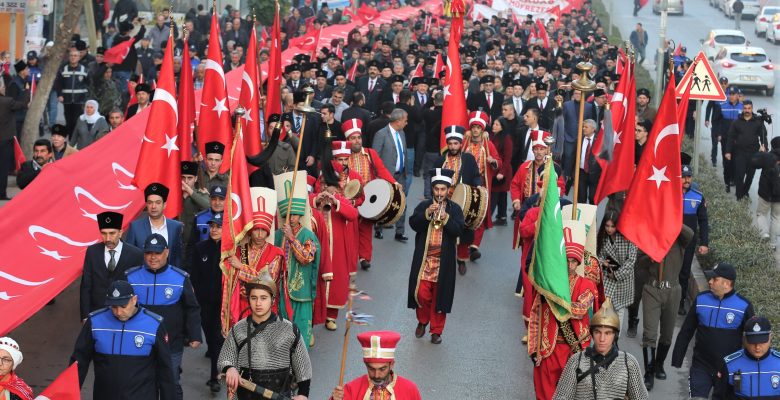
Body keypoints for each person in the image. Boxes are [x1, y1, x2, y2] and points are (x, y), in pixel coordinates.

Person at [125, 234, 202, 400]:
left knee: (171, 381)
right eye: (149, 253)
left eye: (157, 253)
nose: (153, 257)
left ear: (166, 252)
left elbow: (192, 308)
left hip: (171, 343)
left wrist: (195, 335)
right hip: (140, 343)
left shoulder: (180, 278)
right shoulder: (130, 277)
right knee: (143, 382)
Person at [71, 280, 175, 400]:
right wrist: (68, 393)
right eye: (114, 307)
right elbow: (79, 361)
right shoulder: (95, 322)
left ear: (134, 300)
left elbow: (165, 369)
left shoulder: (154, 325)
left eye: (123, 306)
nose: (119, 312)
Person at [529, 224, 598, 400]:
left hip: (573, 349)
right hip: (547, 348)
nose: (570, 264)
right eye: (567, 260)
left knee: (571, 394)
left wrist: (555, 299)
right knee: (544, 392)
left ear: (578, 262)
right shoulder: (547, 285)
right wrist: (533, 349)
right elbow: (536, 315)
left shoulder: (586, 285)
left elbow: (580, 310)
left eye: (574, 261)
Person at [218, 279, 312, 400]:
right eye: (254, 298)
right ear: (248, 299)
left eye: (263, 298)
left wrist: (303, 394)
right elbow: (225, 359)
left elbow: (303, 366)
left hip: (280, 394)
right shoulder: (238, 329)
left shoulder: (289, 330)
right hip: (245, 395)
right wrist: (229, 368)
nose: (258, 303)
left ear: (272, 300)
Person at [671, 262, 753, 399]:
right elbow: (687, 329)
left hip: (732, 369)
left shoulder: (744, 306)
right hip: (701, 366)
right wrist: (677, 357)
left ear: (727, 283)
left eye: (714, 279)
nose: (710, 282)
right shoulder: (701, 299)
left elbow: (753, 338)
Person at [408, 168, 465, 344]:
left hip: (444, 261)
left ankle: (436, 331)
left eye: (443, 189)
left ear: (448, 190)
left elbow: (458, 230)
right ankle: (423, 321)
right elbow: (413, 224)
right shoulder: (424, 206)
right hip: (425, 260)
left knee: (441, 297)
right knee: (422, 294)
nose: (440, 193)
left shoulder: (455, 209)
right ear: (432, 189)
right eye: (436, 189)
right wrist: (427, 215)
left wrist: (446, 218)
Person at [553, 298, 649, 399]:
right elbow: (561, 397)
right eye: (598, 332)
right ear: (592, 334)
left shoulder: (628, 363)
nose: (602, 339)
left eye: (607, 333)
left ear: (615, 336)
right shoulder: (576, 361)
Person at [639, 225, 693, 391]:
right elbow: (639, 262)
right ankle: (648, 373)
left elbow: (690, 234)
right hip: (652, 289)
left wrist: (672, 220)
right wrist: (651, 257)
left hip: (673, 291)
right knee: (649, 334)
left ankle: (659, 364)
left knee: (667, 335)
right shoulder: (649, 237)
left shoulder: (680, 240)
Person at [223, 193, 285, 335]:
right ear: (250, 231)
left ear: (267, 231)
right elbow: (230, 280)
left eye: (263, 230)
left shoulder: (275, 253)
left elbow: (268, 280)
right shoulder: (239, 251)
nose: (259, 234)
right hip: (242, 305)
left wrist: (240, 267)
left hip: (264, 305)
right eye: (256, 229)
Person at [344, 118, 398, 267]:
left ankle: (365, 258)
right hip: (349, 200)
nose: (357, 141)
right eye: (353, 138)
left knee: (366, 229)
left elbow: (381, 170)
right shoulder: (343, 156)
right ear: (347, 140)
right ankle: (350, 257)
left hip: (369, 199)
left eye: (359, 137)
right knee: (351, 230)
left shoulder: (370, 153)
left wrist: (394, 183)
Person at [79, 211, 144, 320]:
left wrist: (135, 314)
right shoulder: (92, 252)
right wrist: (85, 316)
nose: (108, 238)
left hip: (123, 314)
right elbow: (86, 286)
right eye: (104, 233)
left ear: (120, 232)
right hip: (98, 312)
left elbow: (139, 286)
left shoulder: (135, 254)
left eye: (112, 233)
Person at [435, 125, 481, 275]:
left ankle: (461, 259)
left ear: (461, 144)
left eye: (456, 143)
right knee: (444, 230)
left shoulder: (468, 159)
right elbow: (432, 180)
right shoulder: (440, 160)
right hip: (444, 200)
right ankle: (443, 260)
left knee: (464, 230)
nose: (453, 146)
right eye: (450, 143)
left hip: (464, 200)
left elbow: (475, 175)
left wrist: (479, 187)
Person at [458, 111, 501, 265]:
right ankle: (461, 245)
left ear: (482, 129)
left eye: (478, 127)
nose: (476, 130)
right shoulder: (465, 142)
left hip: (482, 183)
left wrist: (493, 161)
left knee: (480, 215)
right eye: (473, 127)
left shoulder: (488, 145)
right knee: (463, 214)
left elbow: (498, 161)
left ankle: (474, 246)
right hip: (465, 183)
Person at [189, 212, 225, 393]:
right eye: (212, 226)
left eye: (218, 226)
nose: (214, 229)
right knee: (210, 338)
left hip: (222, 302)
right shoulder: (200, 248)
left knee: (217, 338)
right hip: (204, 302)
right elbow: (194, 275)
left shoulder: (230, 250)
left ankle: (214, 377)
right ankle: (217, 360)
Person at [330, 331, 422, 400]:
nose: (376, 375)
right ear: (366, 365)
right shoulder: (351, 389)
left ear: (392, 364)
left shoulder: (410, 389)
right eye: (371, 369)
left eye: (382, 369)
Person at [716, 315, 780, 399]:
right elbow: (719, 397)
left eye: (762, 341)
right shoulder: (730, 365)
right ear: (744, 339)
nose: (757, 347)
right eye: (753, 342)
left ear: (770, 337)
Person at [125, 183, 185, 268]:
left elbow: (178, 257)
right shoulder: (135, 227)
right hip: (142, 278)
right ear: (146, 205)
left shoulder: (176, 227)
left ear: (164, 205)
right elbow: (129, 256)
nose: (153, 206)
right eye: (150, 203)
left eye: (158, 202)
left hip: (169, 278)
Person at [596, 211, 637, 333]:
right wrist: (603, 262)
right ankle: (605, 336)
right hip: (607, 277)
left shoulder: (628, 237)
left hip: (623, 279)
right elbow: (597, 254)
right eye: (607, 225)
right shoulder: (602, 236)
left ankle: (615, 340)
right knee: (604, 309)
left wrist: (616, 275)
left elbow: (631, 260)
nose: (609, 229)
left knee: (619, 310)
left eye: (612, 226)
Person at [372, 108, 410, 242]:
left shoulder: (402, 133)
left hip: (401, 175)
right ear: (398, 121)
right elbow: (375, 157)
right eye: (405, 120)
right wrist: (377, 176)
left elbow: (403, 152)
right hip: (386, 176)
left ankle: (400, 232)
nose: (407, 123)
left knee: (402, 203)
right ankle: (379, 228)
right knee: (384, 204)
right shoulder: (381, 134)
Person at [679, 163, 710, 315]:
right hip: (671, 241)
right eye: (683, 177)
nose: (686, 180)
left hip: (689, 243)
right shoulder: (669, 194)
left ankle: (680, 302)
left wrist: (704, 243)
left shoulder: (698, 197)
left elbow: (703, 221)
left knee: (684, 272)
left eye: (688, 176)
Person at [725, 100, 768, 200]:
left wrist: (764, 146)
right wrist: (728, 151)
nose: (747, 110)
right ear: (742, 109)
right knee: (739, 175)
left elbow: (763, 136)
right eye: (745, 108)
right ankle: (739, 197)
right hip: (740, 152)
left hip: (753, 153)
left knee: (750, 176)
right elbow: (730, 137)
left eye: (749, 108)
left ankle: (745, 192)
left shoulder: (758, 121)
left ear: (752, 109)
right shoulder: (736, 122)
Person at [0, 78, 29, 200]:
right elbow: (22, 104)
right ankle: (1, 193)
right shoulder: (7, 101)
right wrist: (27, 91)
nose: (4, 88)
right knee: (3, 167)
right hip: (5, 139)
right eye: (2, 86)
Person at [54, 50, 90, 137]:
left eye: (75, 56)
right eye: (71, 56)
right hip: (67, 100)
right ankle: (71, 140)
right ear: (69, 57)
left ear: (79, 57)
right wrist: (59, 95)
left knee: (77, 120)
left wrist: (87, 97)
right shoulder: (63, 69)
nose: (73, 57)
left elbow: (89, 84)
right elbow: (58, 84)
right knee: (69, 121)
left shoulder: (84, 70)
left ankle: (76, 139)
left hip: (80, 100)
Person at [755, 137, 780, 245]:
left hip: (765, 193)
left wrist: (760, 153)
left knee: (761, 214)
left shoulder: (768, 156)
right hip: (779, 195)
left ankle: (764, 233)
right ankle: (773, 243)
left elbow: (754, 164)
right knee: (777, 217)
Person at [490, 117, 514, 226]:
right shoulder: (492, 136)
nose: (494, 126)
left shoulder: (506, 139)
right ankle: (502, 217)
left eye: (497, 124)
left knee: (495, 194)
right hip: (495, 170)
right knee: (502, 195)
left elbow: (508, 158)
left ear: (502, 127)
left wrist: (502, 173)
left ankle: (488, 219)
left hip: (502, 172)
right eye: (494, 124)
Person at [577, 119, 601, 204]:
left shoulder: (599, 140)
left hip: (594, 174)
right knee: (581, 198)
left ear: (593, 129)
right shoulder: (579, 138)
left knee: (592, 198)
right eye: (583, 126)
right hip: (581, 172)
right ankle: (581, 216)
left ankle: (592, 217)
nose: (583, 128)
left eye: (586, 127)